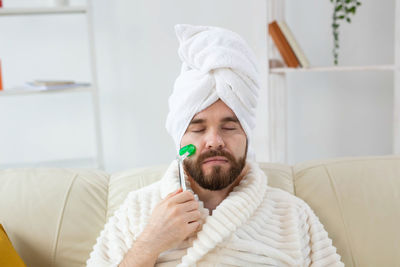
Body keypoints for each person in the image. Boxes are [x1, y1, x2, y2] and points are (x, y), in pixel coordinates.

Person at [87, 24, 343, 267]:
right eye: (198, 129)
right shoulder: (139, 209)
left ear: (246, 136)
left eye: (229, 127)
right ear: (179, 140)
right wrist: (150, 243)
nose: (214, 141)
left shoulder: (291, 214)